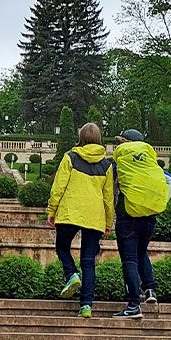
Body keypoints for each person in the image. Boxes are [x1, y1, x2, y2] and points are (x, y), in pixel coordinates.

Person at [46, 122, 113, 319]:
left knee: (62, 248)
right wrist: (108, 222)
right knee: (88, 261)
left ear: (81, 137)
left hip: (70, 212)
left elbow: (58, 187)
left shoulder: (70, 157)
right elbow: (109, 198)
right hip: (94, 216)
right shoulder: (107, 165)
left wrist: (51, 209)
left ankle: (71, 275)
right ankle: (86, 306)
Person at [111, 129, 171, 319]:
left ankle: (133, 305)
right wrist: (158, 202)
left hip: (128, 214)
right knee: (141, 252)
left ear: (125, 142)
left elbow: (109, 187)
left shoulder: (119, 163)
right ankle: (150, 289)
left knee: (129, 259)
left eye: (120, 142)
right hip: (150, 215)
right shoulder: (151, 163)